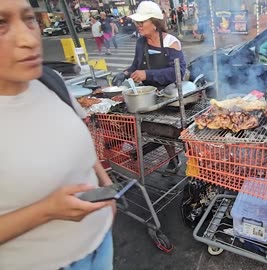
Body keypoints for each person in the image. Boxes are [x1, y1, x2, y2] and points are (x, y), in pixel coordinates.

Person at [0, 0, 115, 269]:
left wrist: (106, 187)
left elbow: (81, 142)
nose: (29, 39)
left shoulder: (50, 80)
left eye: (29, 19)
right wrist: (46, 211)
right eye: (0, 24)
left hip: (102, 243)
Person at [111, 1, 186, 173]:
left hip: (170, 96)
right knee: (153, 131)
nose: (138, 26)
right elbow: (135, 65)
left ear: (154, 22)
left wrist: (147, 74)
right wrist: (125, 73)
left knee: (168, 131)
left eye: (141, 22)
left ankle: (186, 162)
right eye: (137, 22)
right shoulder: (140, 43)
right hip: (147, 95)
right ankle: (173, 158)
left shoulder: (170, 42)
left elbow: (178, 73)